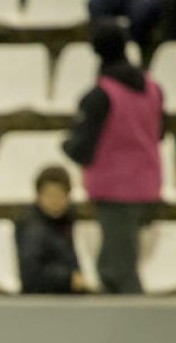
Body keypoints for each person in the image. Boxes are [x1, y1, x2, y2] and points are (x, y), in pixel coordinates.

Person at [63, 21, 163, 294]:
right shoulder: (154, 89)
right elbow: (160, 131)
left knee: (119, 268)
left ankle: (137, 330)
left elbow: (83, 148)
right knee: (111, 263)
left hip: (115, 190)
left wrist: (67, 145)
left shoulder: (100, 96)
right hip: (148, 184)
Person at [16, 166, 89, 295]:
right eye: (49, 194)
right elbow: (31, 273)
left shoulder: (68, 223)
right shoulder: (31, 227)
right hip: (42, 297)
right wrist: (68, 278)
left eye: (60, 195)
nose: (54, 200)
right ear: (38, 195)